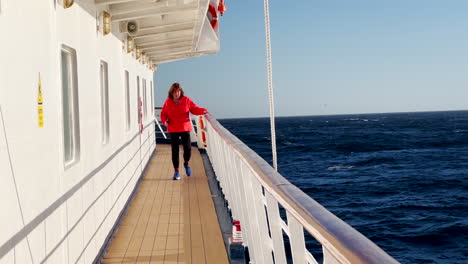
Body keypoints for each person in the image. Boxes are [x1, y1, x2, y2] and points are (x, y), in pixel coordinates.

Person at [160, 83, 208, 180]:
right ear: (171, 93)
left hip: (185, 128)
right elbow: (163, 114)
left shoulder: (186, 100)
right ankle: (176, 171)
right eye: (174, 92)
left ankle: (186, 163)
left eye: (178, 91)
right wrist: (165, 121)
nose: (176, 93)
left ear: (181, 92)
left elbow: (194, 109)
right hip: (173, 129)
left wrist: (203, 111)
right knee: (175, 151)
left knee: (188, 149)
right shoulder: (168, 102)